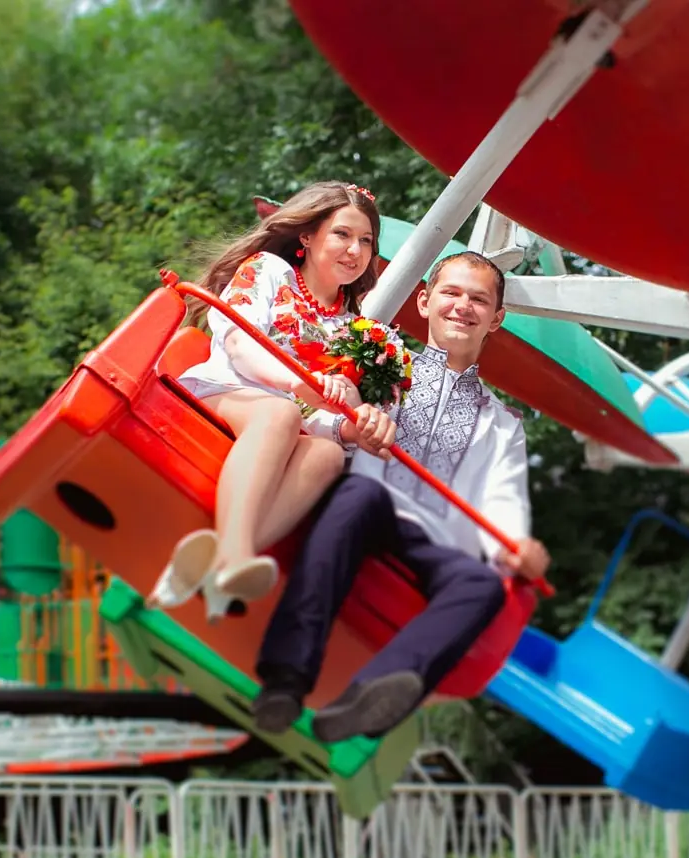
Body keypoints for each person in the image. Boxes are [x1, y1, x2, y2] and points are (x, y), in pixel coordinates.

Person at [250, 250, 552, 741]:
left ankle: (371, 697)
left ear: (495, 319)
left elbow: (502, 502)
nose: (463, 307)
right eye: (451, 293)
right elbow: (314, 413)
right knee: (362, 495)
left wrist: (515, 548)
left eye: (479, 300)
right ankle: (285, 679)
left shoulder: (503, 424)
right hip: (362, 505)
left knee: (480, 583)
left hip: (432, 539)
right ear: (425, 299)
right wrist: (350, 422)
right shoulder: (380, 365)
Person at [149, 181, 384, 620]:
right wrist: (298, 383)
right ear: (308, 236)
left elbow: (318, 416)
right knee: (278, 412)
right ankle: (235, 558)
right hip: (224, 390)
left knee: (328, 457)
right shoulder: (268, 271)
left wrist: (348, 421)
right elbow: (239, 343)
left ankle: (217, 567)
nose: (355, 249)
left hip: (286, 422)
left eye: (366, 240)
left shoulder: (354, 332)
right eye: (342, 234)